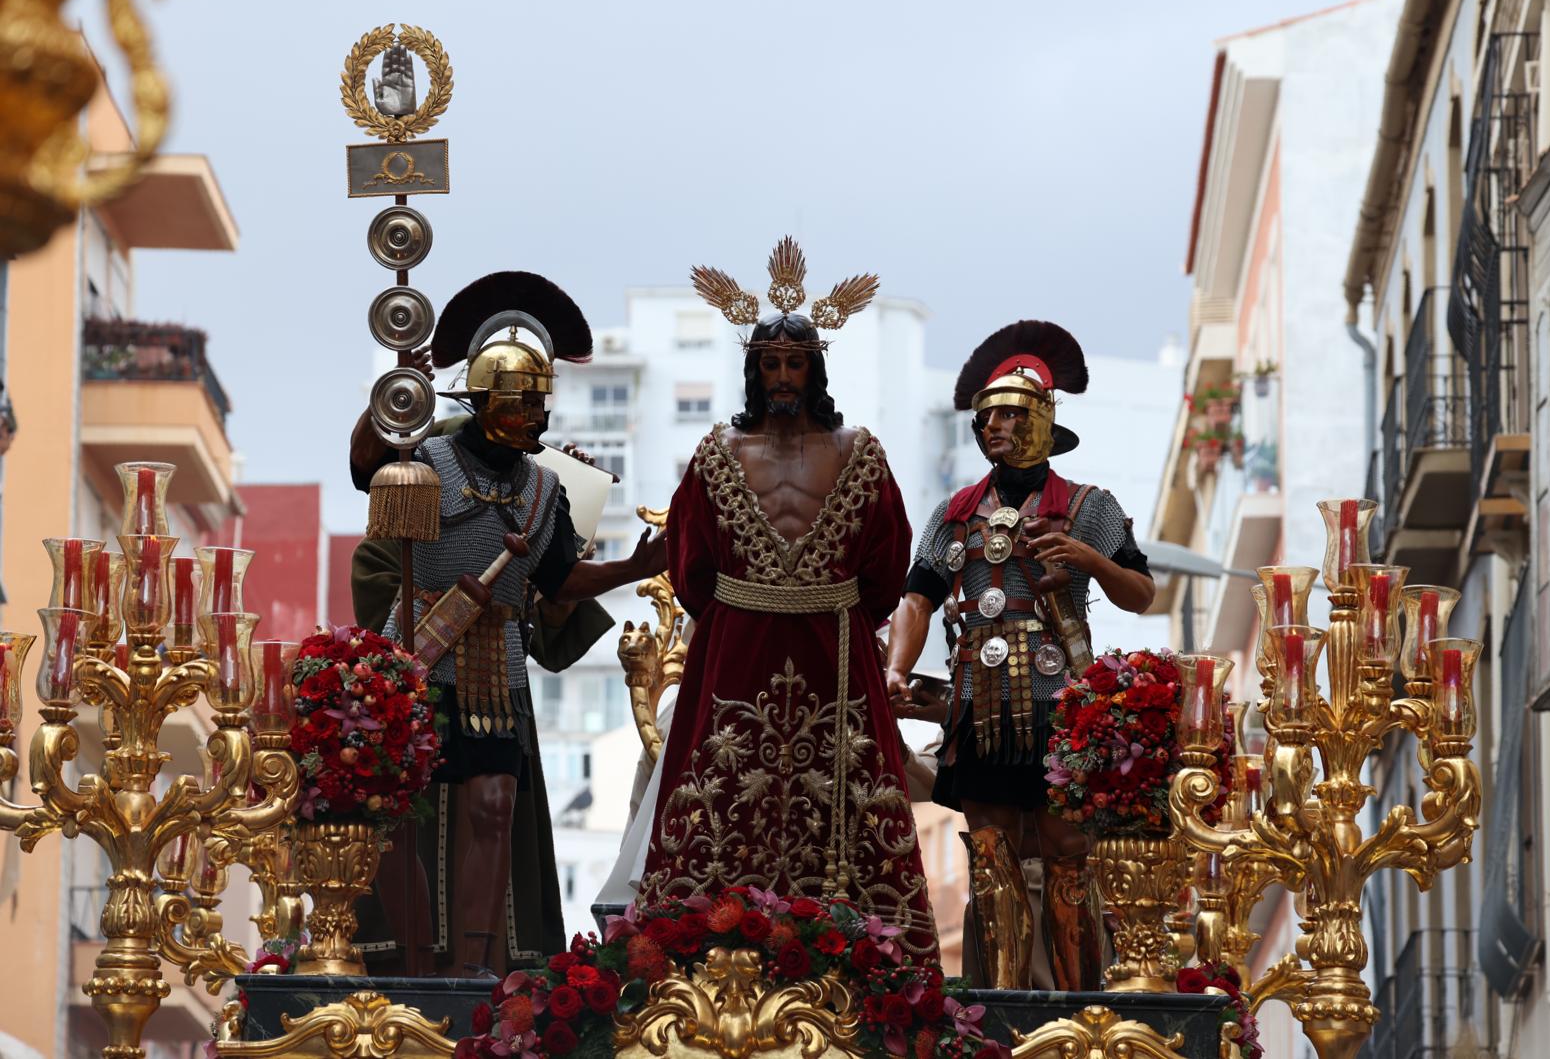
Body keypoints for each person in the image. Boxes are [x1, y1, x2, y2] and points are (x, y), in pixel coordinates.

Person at [349, 271, 666, 973]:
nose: (542, 419)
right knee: (406, 817)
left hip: (498, 669)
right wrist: (400, 392)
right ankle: (411, 963)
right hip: (420, 658)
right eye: (529, 405)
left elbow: (556, 579)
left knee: (493, 808)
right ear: (492, 401)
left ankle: (474, 968)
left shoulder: (545, 485)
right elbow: (363, 463)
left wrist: (632, 567)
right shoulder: (422, 456)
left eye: (543, 404)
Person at [637, 239, 936, 957]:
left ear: (815, 367)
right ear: (752, 367)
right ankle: (701, 948)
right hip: (738, 648)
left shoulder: (860, 451)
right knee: (723, 795)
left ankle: (865, 963)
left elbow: (886, 566)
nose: (780, 375)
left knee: (846, 808)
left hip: (833, 649)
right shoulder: (717, 453)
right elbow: (691, 565)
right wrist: (751, 601)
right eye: (768, 362)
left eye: (793, 362)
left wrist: (828, 602)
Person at [884, 320, 1155, 990]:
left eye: (1007, 413)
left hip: (1063, 703)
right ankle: (1002, 1007)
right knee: (991, 855)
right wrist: (895, 665)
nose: (992, 427)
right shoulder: (954, 512)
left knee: (1068, 852)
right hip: (981, 697)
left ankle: (1083, 1007)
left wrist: (1089, 557)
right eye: (985, 417)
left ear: (1040, 418)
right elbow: (917, 595)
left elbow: (1142, 593)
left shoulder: (1090, 506)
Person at [348, 409, 615, 974]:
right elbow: (384, 622)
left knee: (496, 820)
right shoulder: (394, 535)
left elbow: (549, 626)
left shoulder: (539, 497)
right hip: (420, 700)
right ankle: (415, 969)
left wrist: (572, 542)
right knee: (400, 834)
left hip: (495, 694)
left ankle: (482, 972)